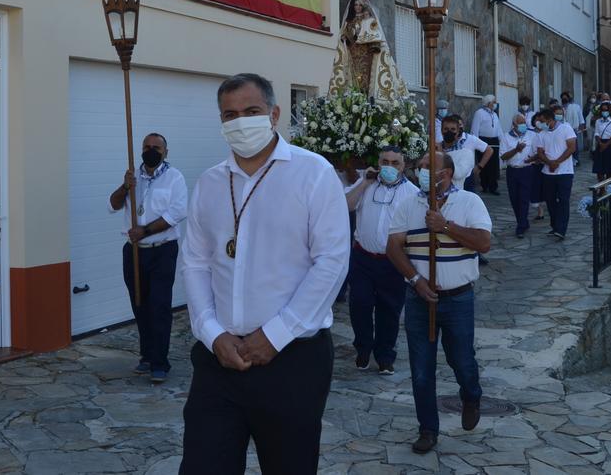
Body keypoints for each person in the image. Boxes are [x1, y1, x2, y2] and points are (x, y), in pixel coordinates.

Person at [179, 73, 349, 475]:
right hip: (218, 361)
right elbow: (196, 263)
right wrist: (210, 331)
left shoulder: (313, 174)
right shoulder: (209, 184)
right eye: (230, 114)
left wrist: (274, 336)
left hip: (292, 361)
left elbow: (331, 262)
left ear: (274, 114)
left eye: (251, 112)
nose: (240, 122)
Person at [385, 151, 493, 455]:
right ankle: (428, 429)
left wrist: (445, 226)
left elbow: (484, 243)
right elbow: (393, 247)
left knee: (461, 360)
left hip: (458, 298)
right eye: (419, 168)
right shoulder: (409, 204)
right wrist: (415, 280)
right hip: (420, 299)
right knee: (421, 369)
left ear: (446, 174)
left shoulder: (469, 202)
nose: (420, 172)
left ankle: (471, 394)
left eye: (426, 168)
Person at [108, 133, 188, 383]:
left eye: (156, 147)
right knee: (139, 304)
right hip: (133, 251)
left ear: (165, 152)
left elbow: (177, 213)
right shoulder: (133, 177)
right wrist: (124, 186)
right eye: (146, 147)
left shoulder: (174, 178)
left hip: (162, 249)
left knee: (159, 306)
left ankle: (160, 362)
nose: (150, 151)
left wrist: (145, 230)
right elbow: (113, 204)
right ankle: (146, 356)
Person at [345, 146, 419, 374]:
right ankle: (363, 348)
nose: (389, 167)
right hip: (363, 258)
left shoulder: (413, 194)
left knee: (390, 309)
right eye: (384, 162)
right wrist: (365, 183)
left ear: (403, 166)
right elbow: (345, 205)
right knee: (360, 304)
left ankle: (385, 355)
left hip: (393, 261)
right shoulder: (366, 185)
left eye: (395, 163)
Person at [531, 109, 577, 240]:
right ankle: (555, 226)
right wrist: (549, 163)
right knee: (550, 201)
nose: (540, 123)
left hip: (565, 172)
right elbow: (540, 152)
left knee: (563, 200)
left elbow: (571, 147)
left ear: (550, 120)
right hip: (548, 173)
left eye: (542, 121)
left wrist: (557, 162)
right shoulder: (542, 134)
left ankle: (561, 229)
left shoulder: (565, 128)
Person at [499, 114, 537, 238]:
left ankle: (521, 226)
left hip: (527, 169)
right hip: (512, 171)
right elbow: (503, 156)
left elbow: (538, 151)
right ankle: (523, 222)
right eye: (520, 123)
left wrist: (533, 159)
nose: (523, 125)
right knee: (514, 198)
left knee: (524, 198)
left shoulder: (532, 135)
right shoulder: (506, 137)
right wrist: (516, 149)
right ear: (514, 125)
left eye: (524, 123)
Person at [439, 114, 493, 191]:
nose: (449, 132)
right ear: (441, 131)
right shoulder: (437, 147)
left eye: (453, 129)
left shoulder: (467, 148)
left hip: (465, 179)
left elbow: (489, 150)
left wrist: (479, 167)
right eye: (446, 129)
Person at [470, 94, 502, 194]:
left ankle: (493, 187)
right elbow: (475, 128)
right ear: (488, 103)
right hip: (484, 141)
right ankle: (484, 185)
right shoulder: (479, 113)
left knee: (494, 165)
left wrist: (502, 140)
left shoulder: (495, 114)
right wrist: (475, 143)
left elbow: (498, 128)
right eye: (494, 102)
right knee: (484, 163)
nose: (495, 104)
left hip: (494, 141)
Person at [592, 102, 611, 182]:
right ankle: (601, 188)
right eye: (602, 110)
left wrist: (606, 145)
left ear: (610, 110)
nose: (604, 111)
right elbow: (596, 133)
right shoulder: (598, 121)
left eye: (606, 110)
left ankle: (608, 187)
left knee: (610, 170)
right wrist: (600, 143)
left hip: (610, 144)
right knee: (599, 170)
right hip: (600, 144)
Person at [558, 93, 584, 168]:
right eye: (563, 98)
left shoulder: (575, 107)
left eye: (565, 98)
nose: (564, 99)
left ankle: (576, 159)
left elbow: (580, 117)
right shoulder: (560, 108)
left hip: (572, 128)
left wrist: (581, 125)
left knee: (574, 145)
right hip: (562, 128)